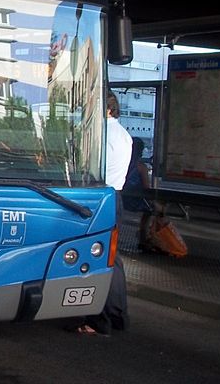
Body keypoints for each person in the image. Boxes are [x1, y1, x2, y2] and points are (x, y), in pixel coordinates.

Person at [71, 90, 131, 336]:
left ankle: (99, 320)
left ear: (107, 109)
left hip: (98, 197)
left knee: (96, 258)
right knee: (112, 259)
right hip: (116, 197)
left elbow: (86, 168)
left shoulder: (101, 134)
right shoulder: (125, 135)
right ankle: (117, 316)